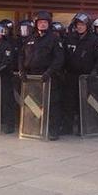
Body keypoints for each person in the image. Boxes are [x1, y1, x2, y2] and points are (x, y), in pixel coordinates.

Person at [18, 11, 64, 140]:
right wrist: (22, 70)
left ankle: (53, 130)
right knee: (32, 102)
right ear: (36, 24)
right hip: (32, 77)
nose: (42, 24)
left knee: (52, 103)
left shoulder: (55, 39)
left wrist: (49, 72)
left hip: (49, 76)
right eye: (40, 22)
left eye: (45, 22)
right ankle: (34, 126)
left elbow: (59, 59)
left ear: (48, 24)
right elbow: (21, 56)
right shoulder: (30, 39)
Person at [62, 13, 98, 135]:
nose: (80, 27)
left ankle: (84, 127)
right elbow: (64, 56)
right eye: (78, 25)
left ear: (87, 26)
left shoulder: (95, 40)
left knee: (85, 103)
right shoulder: (70, 38)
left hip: (86, 78)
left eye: (82, 25)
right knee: (69, 103)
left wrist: (95, 71)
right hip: (71, 76)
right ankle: (67, 127)